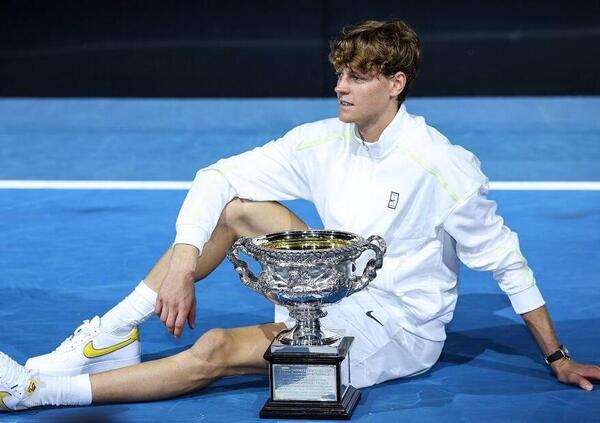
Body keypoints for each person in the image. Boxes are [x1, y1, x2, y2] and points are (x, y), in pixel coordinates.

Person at [1, 19, 599, 413]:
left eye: (358, 78)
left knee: (213, 347)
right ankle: (113, 334)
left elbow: (507, 263)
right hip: (335, 282)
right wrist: (184, 261)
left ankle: (38, 394)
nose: (341, 87)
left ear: (396, 84)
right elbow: (217, 176)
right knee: (236, 209)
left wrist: (557, 357)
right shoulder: (323, 140)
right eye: (340, 74)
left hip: (395, 328)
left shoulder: (442, 165)